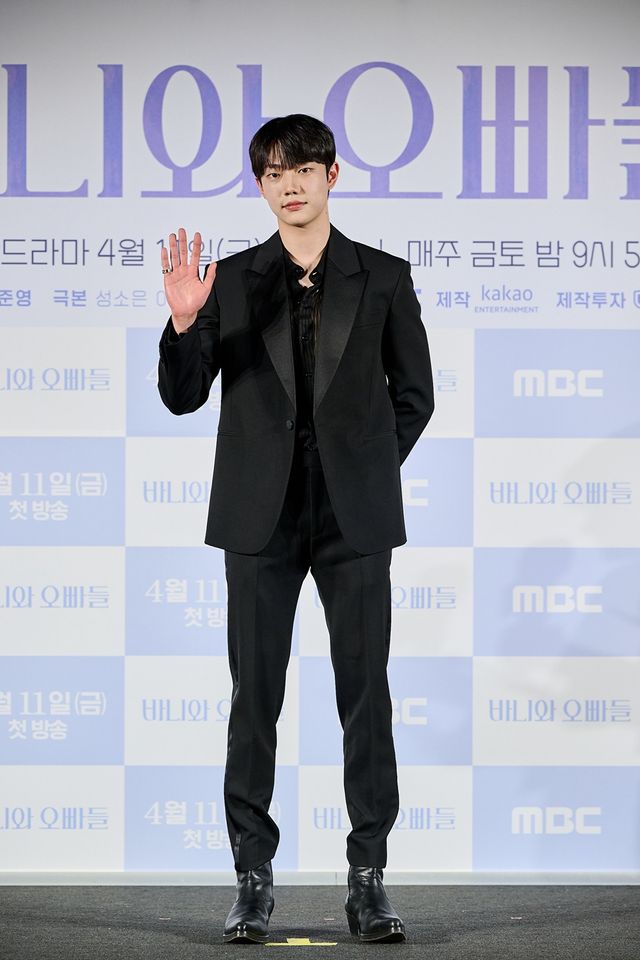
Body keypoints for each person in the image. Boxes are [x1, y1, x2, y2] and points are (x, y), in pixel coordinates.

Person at [157, 114, 434, 944]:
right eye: (275, 172)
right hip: (259, 517)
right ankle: (252, 880)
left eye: (304, 168)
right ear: (261, 184)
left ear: (331, 175)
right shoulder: (231, 280)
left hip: (353, 518)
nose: (290, 184)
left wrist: (364, 467)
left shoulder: (382, 277)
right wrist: (183, 324)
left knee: (366, 697)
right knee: (255, 700)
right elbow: (182, 396)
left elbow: (415, 396)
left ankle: (368, 880)